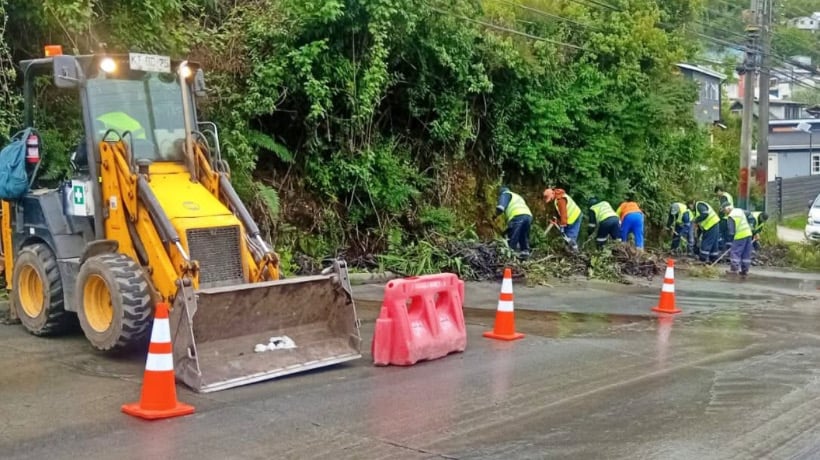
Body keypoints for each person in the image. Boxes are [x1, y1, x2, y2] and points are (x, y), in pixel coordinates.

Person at [496, 186, 533, 259]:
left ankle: (510, 252)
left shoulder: (506, 194)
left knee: (513, 234)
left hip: (517, 215)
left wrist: (497, 213)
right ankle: (525, 251)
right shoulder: (518, 196)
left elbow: (501, 206)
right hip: (528, 215)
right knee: (523, 234)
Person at [724, 204, 753, 277]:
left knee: (735, 252)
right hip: (748, 233)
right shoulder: (740, 210)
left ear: (728, 209)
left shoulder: (731, 216)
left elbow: (731, 231)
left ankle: (734, 269)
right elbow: (749, 214)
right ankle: (745, 270)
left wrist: (731, 241)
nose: (725, 212)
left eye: (725, 210)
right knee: (746, 253)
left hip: (740, 235)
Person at [715, 185, 733, 249]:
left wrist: (719, 216)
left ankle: (720, 247)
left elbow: (723, 207)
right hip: (729, 217)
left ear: (719, 190)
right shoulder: (728, 195)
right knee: (727, 234)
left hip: (724, 217)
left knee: (720, 233)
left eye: (717, 192)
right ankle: (727, 248)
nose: (717, 194)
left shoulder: (723, 196)